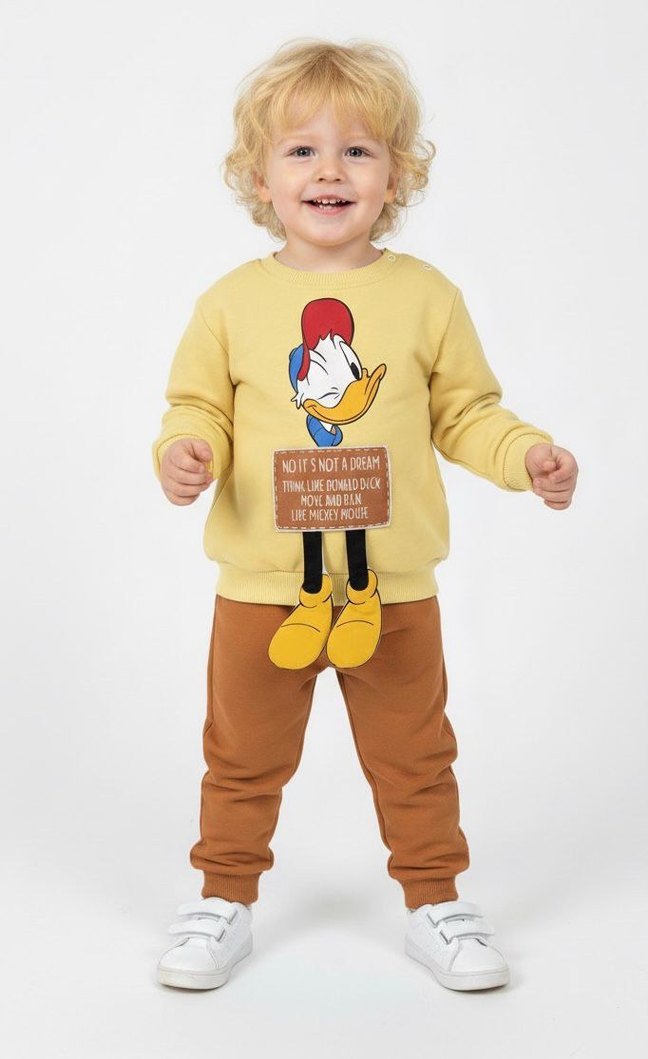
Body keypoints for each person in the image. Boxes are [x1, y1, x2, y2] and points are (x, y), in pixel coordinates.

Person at [151, 38, 579, 993]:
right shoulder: (230, 303)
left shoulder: (426, 296)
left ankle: (436, 901)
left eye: (358, 150)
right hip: (264, 587)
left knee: (415, 755)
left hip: (392, 589)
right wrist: (187, 451)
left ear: (396, 175)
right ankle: (223, 897)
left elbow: (467, 412)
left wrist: (525, 456)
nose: (330, 171)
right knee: (242, 755)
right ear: (258, 175)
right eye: (301, 150)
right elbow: (196, 406)